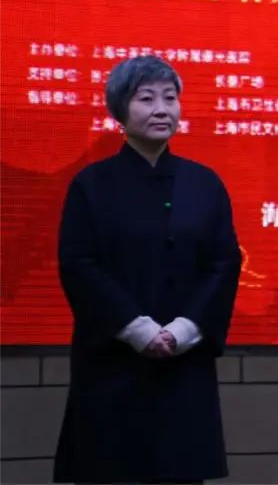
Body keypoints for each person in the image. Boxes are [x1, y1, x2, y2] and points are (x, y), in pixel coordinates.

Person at [54, 56, 242, 483]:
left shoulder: (204, 183)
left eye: (170, 98)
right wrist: (137, 329)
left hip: (183, 361)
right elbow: (79, 265)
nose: (162, 109)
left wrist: (183, 330)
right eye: (146, 99)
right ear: (120, 111)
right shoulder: (91, 184)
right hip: (113, 361)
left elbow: (224, 263)